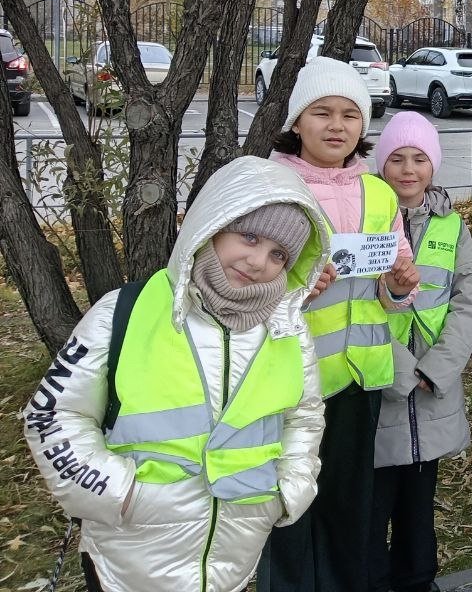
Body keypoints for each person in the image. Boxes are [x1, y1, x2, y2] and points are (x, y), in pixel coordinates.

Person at [24, 156, 330, 592]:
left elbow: (305, 416)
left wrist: (289, 491)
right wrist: (116, 493)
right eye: (249, 236)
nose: (258, 260)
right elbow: (52, 414)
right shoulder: (123, 311)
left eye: (278, 254)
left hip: (233, 555)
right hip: (127, 556)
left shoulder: (288, 330)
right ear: (213, 225)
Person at [259, 56, 420, 592]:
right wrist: (297, 292)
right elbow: (244, 285)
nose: (337, 126)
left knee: (351, 504)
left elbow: (394, 287)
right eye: (322, 113)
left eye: (350, 115)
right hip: (290, 380)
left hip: (359, 378)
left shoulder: (378, 192)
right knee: (290, 502)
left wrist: (400, 284)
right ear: (296, 121)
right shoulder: (273, 187)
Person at [372, 111, 472, 592]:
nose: (408, 169)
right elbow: (356, 305)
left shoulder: (452, 227)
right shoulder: (365, 222)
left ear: (433, 166)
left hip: (433, 388)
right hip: (382, 381)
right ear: (381, 164)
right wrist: (401, 370)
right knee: (374, 503)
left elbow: (469, 300)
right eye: (396, 158)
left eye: (419, 158)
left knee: (419, 501)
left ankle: (418, 579)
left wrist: (437, 368)